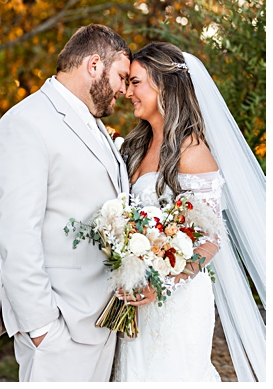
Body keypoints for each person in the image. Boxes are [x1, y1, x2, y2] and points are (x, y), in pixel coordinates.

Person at [113, 43, 264, 382]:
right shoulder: (135, 147)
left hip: (176, 305)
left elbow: (210, 241)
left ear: (163, 86)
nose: (127, 92)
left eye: (136, 83)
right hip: (134, 297)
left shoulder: (192, 152)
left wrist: (161, 284)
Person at [0, 25, 131, 381]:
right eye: (122, 77)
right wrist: (42, 329)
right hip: (60, 329)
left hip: (102, 321)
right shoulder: (26, 124)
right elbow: (16, 235)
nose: (125, 91)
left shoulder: (94, 126)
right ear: (94, 65)